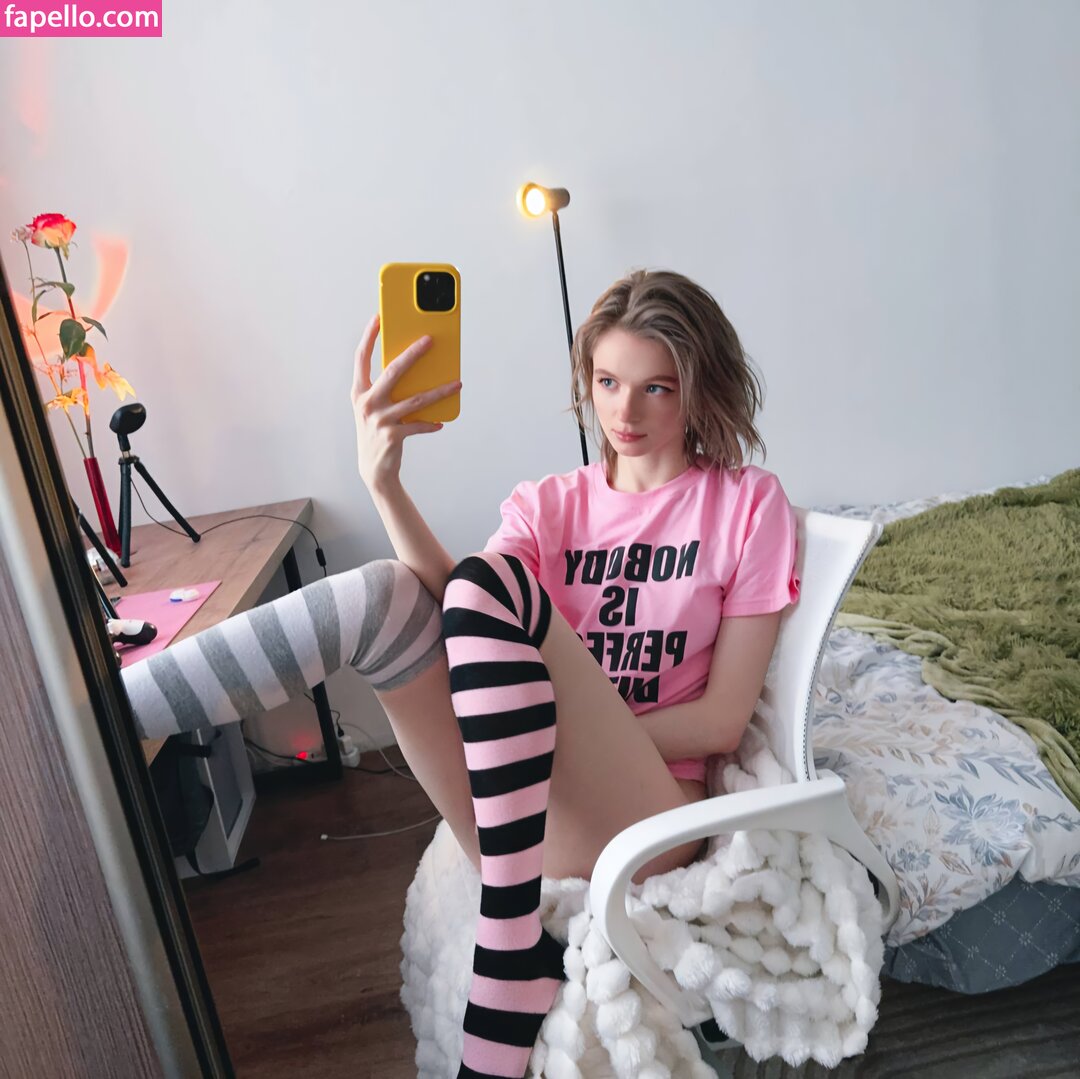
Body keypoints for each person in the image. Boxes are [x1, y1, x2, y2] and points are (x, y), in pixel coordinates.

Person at [121, 269, 800, 1079]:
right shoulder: (550, 504)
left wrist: (551, 734)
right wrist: (383, 484)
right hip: (521, 811)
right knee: (386, 593)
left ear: (700, 386)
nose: (625, 412)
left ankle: (508, 944)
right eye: (608, 382)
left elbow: (722, 719)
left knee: (486, 578)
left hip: (646, 821)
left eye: (657, 387)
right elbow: (466, 612)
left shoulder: (745, 504)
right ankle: (104, 716)